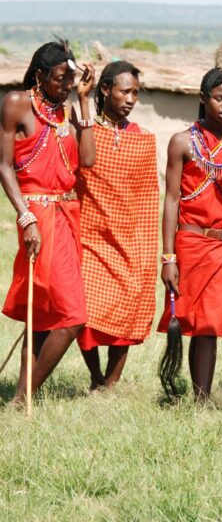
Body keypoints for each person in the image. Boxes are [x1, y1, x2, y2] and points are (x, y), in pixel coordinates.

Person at [0, 41, 95, 400]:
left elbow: (87, 159)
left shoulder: (66, 110)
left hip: (67, 215)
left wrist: (84, 101)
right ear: (40, 75)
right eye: (60, 79)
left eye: (71, 79)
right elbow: (4, 166)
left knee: (43, 318)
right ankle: (24, 398)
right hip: (37, 216)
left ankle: (22, 397)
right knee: (71, 318)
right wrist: (25, 218)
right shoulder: (16, 104)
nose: (67, 85)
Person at [158, 61, 222, 401]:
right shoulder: (181, 142)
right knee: (191, 321)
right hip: (189, 240)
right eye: (219, 98)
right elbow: (171, 200)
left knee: (211, 324)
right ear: (203, 98)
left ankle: (201, 400)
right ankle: (194, 393)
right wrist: (168, 257)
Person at [76, 61, 159, 390]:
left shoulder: (142, 139)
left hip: (132, 239)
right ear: (106, 90)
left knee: (128, 308)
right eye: (125, 91)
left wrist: (147, 246)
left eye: (136, 93)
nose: (131, 99)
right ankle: (96, 378)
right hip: (92, 236)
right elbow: (84, 166)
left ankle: (111, 383)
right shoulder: (86, 130)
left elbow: (149, 196)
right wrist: (82, 101)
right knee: (87, 309)